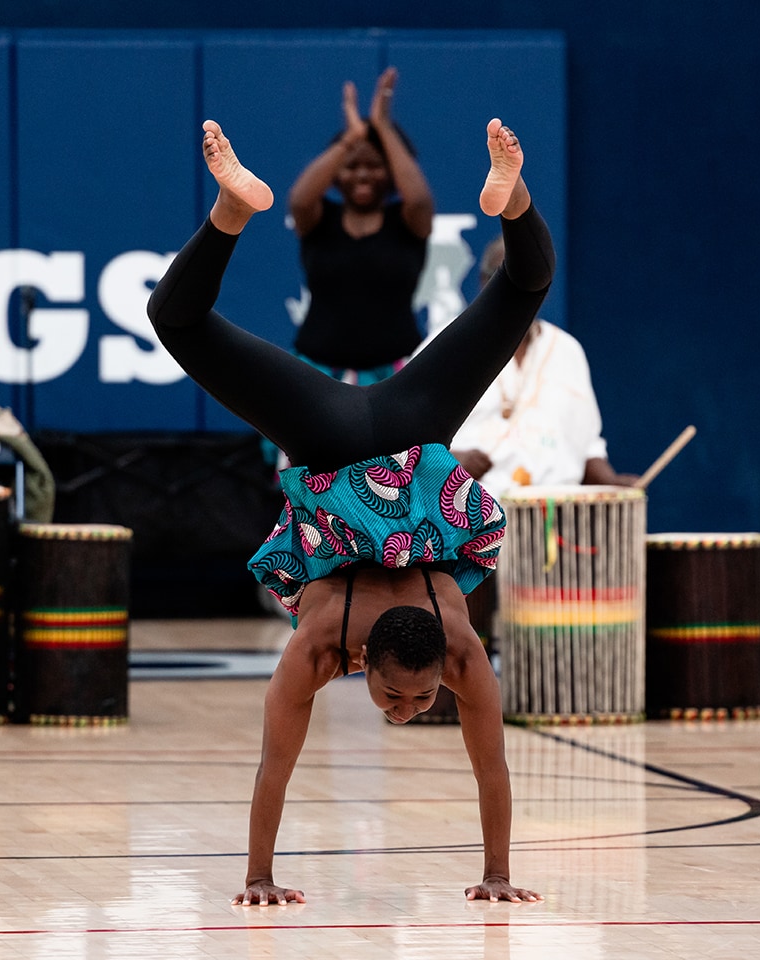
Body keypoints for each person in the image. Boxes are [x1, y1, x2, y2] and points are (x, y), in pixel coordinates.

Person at [149, 116, 548, 906]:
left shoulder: (403, 648)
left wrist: (500, 876)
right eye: (409, 697)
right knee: (523, 290)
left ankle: (234, 211)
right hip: (389, 434)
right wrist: (257, 878)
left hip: (345, 435)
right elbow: (486, 765)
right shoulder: (362, 646)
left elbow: (283, 765)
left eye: (410, 697)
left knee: (523, 289)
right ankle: (512, 198)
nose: (407, 709)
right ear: (368, 658)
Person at [449, 237, 640, 491]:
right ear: (483, 282)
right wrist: (450, 462)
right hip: (471, 507)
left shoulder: (567, 351)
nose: (518, 287)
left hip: (554, 510)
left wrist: (612, 485)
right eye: (504, 277)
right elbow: (410, 446)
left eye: (529, 277)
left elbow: (587, 447)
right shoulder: (447, 344)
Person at [284, 67, 433, 386]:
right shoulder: (319, 219)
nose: (363, 174)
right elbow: (299, 200)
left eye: (374, 165)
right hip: (318, 371)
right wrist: (350, 138)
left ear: (391, 172)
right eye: (352, 166)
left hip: (395, 373)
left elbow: (420, 200)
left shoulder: (408, 221)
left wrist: (382, 125)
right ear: (336, 175)